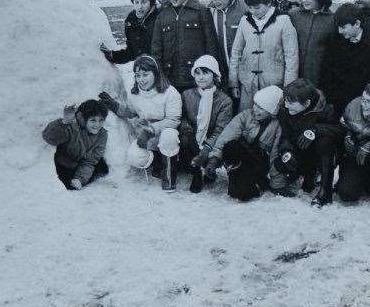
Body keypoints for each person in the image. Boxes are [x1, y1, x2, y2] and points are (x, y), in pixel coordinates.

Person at [99, 55, 182, 191]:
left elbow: (173, 120)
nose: (141, 79)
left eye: (145, 74)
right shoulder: (135, 93)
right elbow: (132, 112)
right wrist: (113, 105)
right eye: (138, 75)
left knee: (169, 136)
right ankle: (159, 162)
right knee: (134, 157)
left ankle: (169, 177)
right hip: (146, 136)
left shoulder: (170, 93)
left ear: (155, 73)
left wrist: (152, 129)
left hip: (164, 132)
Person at [204, 85, 288, 201]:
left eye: (261, 108)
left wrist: (277, 185)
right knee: (231, 146)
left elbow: (274, 155)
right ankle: (234, 173)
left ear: (272, 112)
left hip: (259, 163)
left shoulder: (277, 126)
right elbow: (226, 137)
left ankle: (259, 183)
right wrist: (214, 160)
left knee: (241, 193)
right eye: (255, 104)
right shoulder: (245, 116)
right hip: (242, 159)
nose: (255, 109)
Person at [228, 0, 299, 112]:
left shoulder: (283, 21)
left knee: (272, 119)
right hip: (248, 85)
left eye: (257, 7)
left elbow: (291, 57)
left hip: (273, 84)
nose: (253, 11)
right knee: (247, 118)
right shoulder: (245, 21)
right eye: (250, 7)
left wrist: (288, 88)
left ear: (268, 3)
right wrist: (233, 83)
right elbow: (236, 52)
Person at [275, 79, 344, 206]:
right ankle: (306, 175)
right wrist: (286, 151)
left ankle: (325, 191)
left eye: (291, 102)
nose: (286, 105)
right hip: (300, 150)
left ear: (306, 103)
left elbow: (339, 131)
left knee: (325, 141)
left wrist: (315, 129)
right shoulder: (285, 110)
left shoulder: (326, 110)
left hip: (320, 155)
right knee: (280, 163)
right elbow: (285, 135)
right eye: (286, 101)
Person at [151, 0, 220, 92]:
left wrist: (211, 74)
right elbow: (156, 49)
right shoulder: (162, 15)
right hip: (169, 80)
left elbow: (211, 46)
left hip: (196, 79)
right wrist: (160, 76)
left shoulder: (201, 11)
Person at [320, 3, 370, 117]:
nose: (340, 31)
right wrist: (331, 98)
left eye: (343, 27)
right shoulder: (334, 41)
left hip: (364, 102)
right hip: (339, 100)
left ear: (357, 24)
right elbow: (327, 71)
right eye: (338, 27)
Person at [179, 55, 233, 193]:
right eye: (197, 73)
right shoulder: (187, 95)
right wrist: (187, 128)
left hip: (211, 140)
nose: (201, 77)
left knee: (218, 147)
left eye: (205, 73)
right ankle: (196, 171)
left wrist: (207, 147)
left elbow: (221, 129)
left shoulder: (224, 100)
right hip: (191, 138)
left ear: (214, 75)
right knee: (185, 138)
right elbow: (182, 117)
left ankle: (208, 166)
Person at [42, 100, 109, 190]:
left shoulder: (102, 135)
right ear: (84, 119)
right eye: (93, 120)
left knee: (103, 169)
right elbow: (49, 138)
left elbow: (90, 161)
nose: (97, 124)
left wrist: (79, 179)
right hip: (61, 166)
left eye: (101, 120)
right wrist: (64, 122)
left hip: (78, 167)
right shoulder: (72, 126)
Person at [289, 0, 335, 86]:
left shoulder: (332, 19)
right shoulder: (293, 15)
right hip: (293, 77)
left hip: (319, 79)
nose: (303, 0)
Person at [100, 0, 159, 64]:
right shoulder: (130, 21)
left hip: (161, 68)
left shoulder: (159, 18)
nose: (140, 6)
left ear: (151, 2)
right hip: (144, 70)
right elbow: (131, 52)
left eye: (144, 2)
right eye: (136, 2)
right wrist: (112, 55)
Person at [208, 0, 248, 85]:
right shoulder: (210, 10)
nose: (215, 1)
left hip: (241, 65)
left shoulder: (244, 9)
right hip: (221, 64)